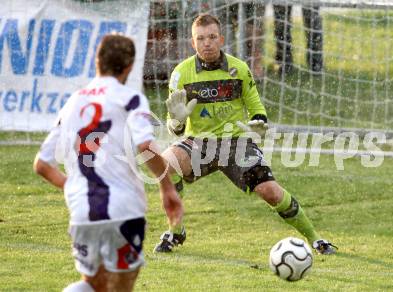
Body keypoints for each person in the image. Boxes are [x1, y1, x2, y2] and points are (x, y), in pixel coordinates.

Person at [153, 14, 336, 255]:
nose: (206, 43)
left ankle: (315, 239)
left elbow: (256, 107)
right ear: (192, 43)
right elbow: (174, 128)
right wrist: (177, 120)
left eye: (211, 37)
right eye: (200, 38)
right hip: (199, 143)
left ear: (221, 39)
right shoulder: (181, 74)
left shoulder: (238, 69)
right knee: (165, 166)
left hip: (236, 143)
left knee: (270, 192)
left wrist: (259, 123)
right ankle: (175, 232)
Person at [34, 34, 184, 292]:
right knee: (120, 287)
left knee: (91, 284)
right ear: (128, 67)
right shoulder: (130, 98)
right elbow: (146, 147)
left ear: (97, 61)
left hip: (82, 211)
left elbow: (42, 164)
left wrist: (75, 187)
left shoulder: (73, 102)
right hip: (124, 210)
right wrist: (167, 188)